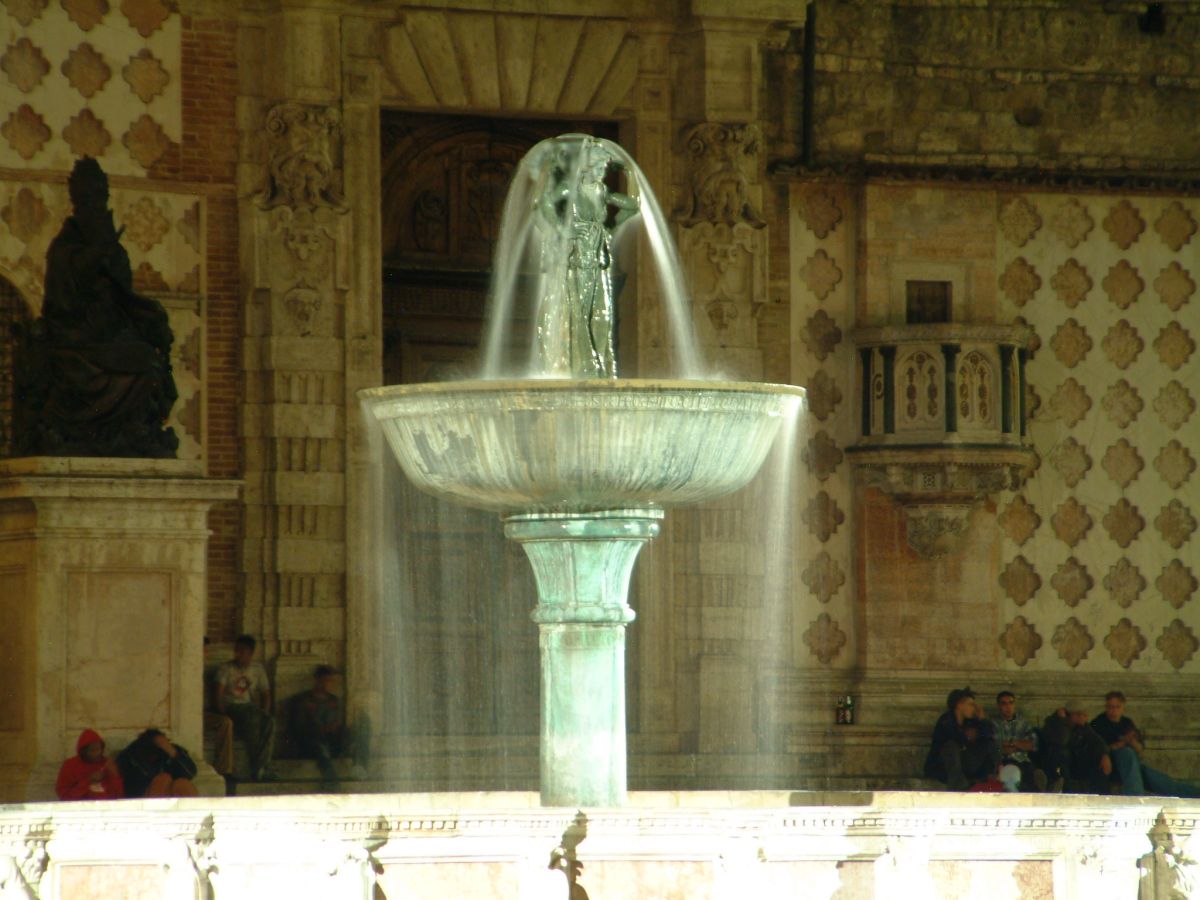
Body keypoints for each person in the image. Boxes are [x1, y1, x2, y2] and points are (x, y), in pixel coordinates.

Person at [1091, 691, 1200, 798]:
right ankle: (1135, 797)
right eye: (1110, 707)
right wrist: (1123, 743)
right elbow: (1101, 749)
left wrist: (1132, 742)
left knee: (1166, 784)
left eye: (1117, 707)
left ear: (1123, 708)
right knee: (1126, 752)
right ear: (1106, 707)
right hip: (1112, 767)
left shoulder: (1127, 723)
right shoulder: (1099, 723)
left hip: (1134, 766)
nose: (1113, 710)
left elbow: (1140, 750)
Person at [291, 664, 367, 787]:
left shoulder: (334, 701)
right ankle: (331, 780)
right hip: (312, 743)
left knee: (359, 727)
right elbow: (298, 728)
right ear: (317, 680)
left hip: (332, 741)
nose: (329, 684)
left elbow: (337, 722)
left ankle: (360, 766)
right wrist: (320, 730)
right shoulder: (303, 700)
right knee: (320, 747)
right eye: (327, 680)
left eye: (331, 681)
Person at [215, 634, 275, 780]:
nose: (238, 654)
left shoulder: (257, 669)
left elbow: (266, 694)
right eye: (237, 650)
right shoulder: (226, 668)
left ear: (250, 653)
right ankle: (259, 768)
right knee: (253, 720)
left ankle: (262, 767)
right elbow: (218, 693)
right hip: (233, 707)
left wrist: (265, 712)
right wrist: (222, 713)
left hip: (250, 708)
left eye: (242, 651)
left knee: (270, 722)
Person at [924, 687, 999, 790]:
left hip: (965, 765)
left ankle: (986, 779)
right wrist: (966, 737)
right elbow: (953, 739)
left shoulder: (971, 722)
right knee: (951, 746)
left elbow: (990, 735)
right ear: (959, 705)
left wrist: (982, 721)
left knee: (989, 744)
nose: (974, 708)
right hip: (943, 767)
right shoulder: (946, 720)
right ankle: (957, 784)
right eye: (970, 705)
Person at [1042, 700, 1112, 794]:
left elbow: (1097, 740)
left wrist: (1104, 754)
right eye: (1078, 714)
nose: (1083, 717)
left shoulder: (1082, 727)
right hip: (1058, 763)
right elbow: (1062, 740)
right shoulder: (1054, 723)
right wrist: (1063, 720)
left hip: (1076, 762)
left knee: (1098, 766)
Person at [116, 729, 199, 798]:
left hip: (172, 794)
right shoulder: (131, 755)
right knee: (164, 779)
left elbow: (190, 773)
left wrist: (172, 752)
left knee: (182, 783)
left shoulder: (171, 750)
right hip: (142, 797)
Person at [991, 690, 1043, 791]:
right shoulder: (993, 724)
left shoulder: (1024, 723)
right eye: (1004, 703)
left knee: (1030, 777)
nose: (1008, 707)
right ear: (999, 706)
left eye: (1011, 703)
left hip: (1024, 761)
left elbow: (1033, 745)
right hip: (1004, 761)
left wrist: (1011, 743)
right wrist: (1020, 745)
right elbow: (997, 747)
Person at [55, 729, 123, 800]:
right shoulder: (70, 766)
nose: (97, 753)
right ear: (83, 751)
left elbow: (118, 795)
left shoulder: (107, 764)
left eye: (99, 749)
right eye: (92, 750)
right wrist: (88, 781)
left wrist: (114, 775)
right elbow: (64, 796)